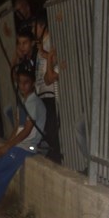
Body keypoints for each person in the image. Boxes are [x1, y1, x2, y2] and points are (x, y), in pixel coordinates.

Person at [0, 63, 46, 217]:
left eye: (26, 83)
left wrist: (8, 146)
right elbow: (17, 127)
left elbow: (27, 130)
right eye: (20, 83)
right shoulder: (23, 102)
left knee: (0, 177)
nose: (22, 86)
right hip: (18, 146)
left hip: (25, 147)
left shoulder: (34, 103)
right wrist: (6, 146)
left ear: (33, 83)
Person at [34, 13, 62, 164]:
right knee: (46, 128)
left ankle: (56, 156)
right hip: (42, 92)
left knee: (51, 130)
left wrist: (48, 56)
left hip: (50, 93)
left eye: (34, 27)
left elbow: (50, 74)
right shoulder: (42, 44)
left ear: (40, 26)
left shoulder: (51, 41)